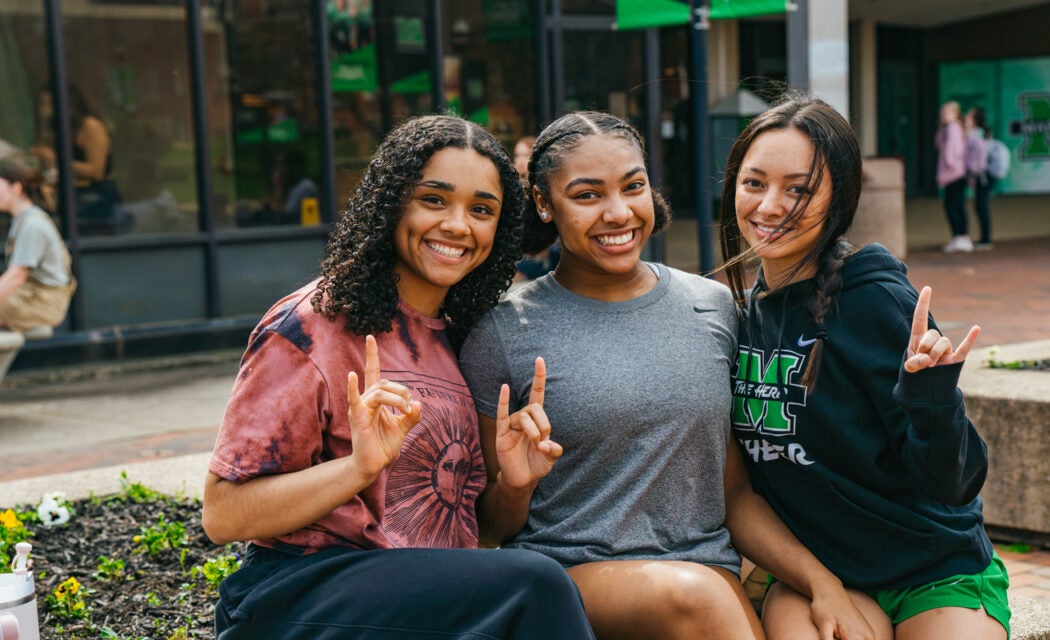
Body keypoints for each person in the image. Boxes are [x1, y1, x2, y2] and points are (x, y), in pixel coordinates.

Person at [459, 111, 873, 640]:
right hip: (566, 581)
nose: (618, 212)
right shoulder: (503, 332)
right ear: (544, 203)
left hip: (705, 577)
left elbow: (733, 491)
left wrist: (822, 584)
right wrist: (516, 486)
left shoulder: (712, 305)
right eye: (587, 195)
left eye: (633, 187)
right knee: (698, 596)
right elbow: (490, 530)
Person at [201, 114, 595, 639]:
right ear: (392, 204)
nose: (458, 225)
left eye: (481, 210)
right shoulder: (315, 325)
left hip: (409, 601)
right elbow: (223, 515)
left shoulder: (460, 337)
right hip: (296, 594)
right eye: (434, 199)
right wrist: (359, 468)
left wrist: (515, 486)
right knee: (536, 584)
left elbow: (474, 533)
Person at [718, 94, 1010, 640]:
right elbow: (740, 492)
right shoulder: (731, 319)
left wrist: (934, 403)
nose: (770, 205)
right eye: (754, 183)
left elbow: (955, 485)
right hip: (819, 573)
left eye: (799, 189)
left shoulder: (875, 301)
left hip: (933, 566)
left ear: (838, 199)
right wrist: (815, 580)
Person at [31, 85, 128, 235]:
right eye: (42, 105)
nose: (45, 111)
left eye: (49, 105)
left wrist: (56, 159)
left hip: (96, 200)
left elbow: (97, 171)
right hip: (72, 198)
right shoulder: (61, 128)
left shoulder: (90, 127)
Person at [0, 159, 75, 337]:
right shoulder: (23, 221)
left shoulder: (32, 225)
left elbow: (17, 276)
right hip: (31, 297)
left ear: (16, 188)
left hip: (41, 303)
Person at [510, 135, 559, 283]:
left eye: (525, 155)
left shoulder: (547, 190)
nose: (520, 161)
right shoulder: (511, 189)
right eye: (517, 155)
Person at [935, 101, 971, 253]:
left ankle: (960, 236)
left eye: (947, 112)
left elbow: (949, 152)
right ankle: (960, 237)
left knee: (953, 206)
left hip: (954, 173)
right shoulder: (949, 129)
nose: (943, 115)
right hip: (955, 173)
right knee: (956, 205)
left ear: (955, 114)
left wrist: (950, 165)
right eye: (942, 112)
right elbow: (937, 144)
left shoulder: (953, 128)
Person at [964, 107, 994, 250]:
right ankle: (985, 238)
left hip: (981, 176)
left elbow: (978, 156)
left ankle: (986, 239)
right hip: (983, 175)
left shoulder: (975, 134)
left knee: (982, 206)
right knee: (982, 205)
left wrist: (974, 172)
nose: (966, 118)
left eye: (969, 117)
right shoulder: (983, 133)